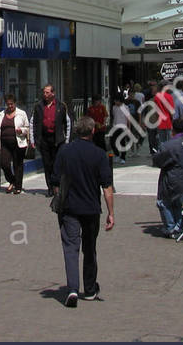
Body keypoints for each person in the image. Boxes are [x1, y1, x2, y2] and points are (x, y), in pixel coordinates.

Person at [50, 116, 115, 306]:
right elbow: (107, 187)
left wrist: (59, 195)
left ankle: (72, 289)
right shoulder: (99, 154)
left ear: (77, 131)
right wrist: (111, 213)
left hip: (69, 207)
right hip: (91, 208)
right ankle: (89, 289)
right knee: (89, 248)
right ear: (93, 131)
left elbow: (55, 180)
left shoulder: (64, 151)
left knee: (70, 248)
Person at [153, 129, 183, 237]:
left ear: (173, 131)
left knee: (163, 202)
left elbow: (158, 161)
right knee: (177, 203)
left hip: (173, 181)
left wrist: (156, 156)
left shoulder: (169, 145)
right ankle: (180, 227)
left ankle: (171, 228)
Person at [0, 94, 31, 194]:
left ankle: (18, 187)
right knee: (4, 164)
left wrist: (21, 130)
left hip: (18, 143)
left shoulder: (21, 113)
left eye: (11, 104)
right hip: (4, 143)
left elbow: (27, 128)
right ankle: (12, 180)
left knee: (18, 165)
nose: (10, 106)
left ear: (15, 103)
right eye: (8, 104)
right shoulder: (1, 115)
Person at [33, 84, 70, 195]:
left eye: (47, 92)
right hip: (44, 138)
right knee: (47, 163)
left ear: (53, 93)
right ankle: (50, 187)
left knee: (56, 163)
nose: (45, 94)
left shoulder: (61, 106)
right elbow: (33, 123)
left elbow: (67, 123)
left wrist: (66, 140)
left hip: (57, 139)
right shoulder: (38, 106)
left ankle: (56, 185)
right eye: (44, 92)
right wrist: (34, 139)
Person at [109, 93, 132, 160]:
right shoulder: (114, 107)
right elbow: (114, 117)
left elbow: (128, 119)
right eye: (115, 101)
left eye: (116, 101)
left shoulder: (125, 107)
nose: (115, 102)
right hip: (115, 127)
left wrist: (129, 128)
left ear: (120, 100)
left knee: (122, 143)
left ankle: (123, 157)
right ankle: (117, 154)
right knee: (112, 142)